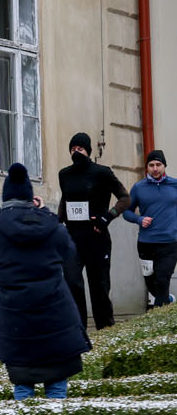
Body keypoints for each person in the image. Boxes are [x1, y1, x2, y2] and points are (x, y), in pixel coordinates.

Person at [0, 164, 91, 399]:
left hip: (16, 317)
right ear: (31, 197)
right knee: (57, 383)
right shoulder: (52, 227)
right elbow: (68, 253)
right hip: (55, 313)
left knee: (23, 384)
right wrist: (43, 213)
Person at [57, 132, 129, 330]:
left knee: (99, 287)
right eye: (72, 149)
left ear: (88, 151)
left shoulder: (102, 173)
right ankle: (78, 331)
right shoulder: (64, 174)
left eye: (80, 149)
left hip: (97, 237)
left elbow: (125, 198)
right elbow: (65, 200)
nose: (76, 152)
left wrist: (108, 216)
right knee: (72, 282)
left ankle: (105, 331)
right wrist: (57, 221)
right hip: (72, 238)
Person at [122, 149, 177, 309]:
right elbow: (126, 212)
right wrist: (139, 219)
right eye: (151, 165)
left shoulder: (174, 185)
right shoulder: (139, 188)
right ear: (147, 167)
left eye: (158, 164)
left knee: (162, 279)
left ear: (164, 166)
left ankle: (159, 318)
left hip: (170, 243)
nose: (155, 168)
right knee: (152, 284)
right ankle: (167, 300)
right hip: (146, 243)